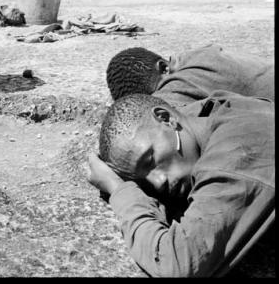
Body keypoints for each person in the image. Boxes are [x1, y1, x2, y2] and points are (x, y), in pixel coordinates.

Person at [86, 91, 274, 277]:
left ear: (166, 118)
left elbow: (178, 263)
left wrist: (118, 189)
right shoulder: (206, 115)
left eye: (150, 160)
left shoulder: (237, 150)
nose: (158, 183)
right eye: (144, 181)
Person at [105, 44, 274, 106]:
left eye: (160, 90)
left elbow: (151, 114)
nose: (166, 92)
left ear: (164, 68)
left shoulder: (185, 79)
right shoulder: (200, 55)